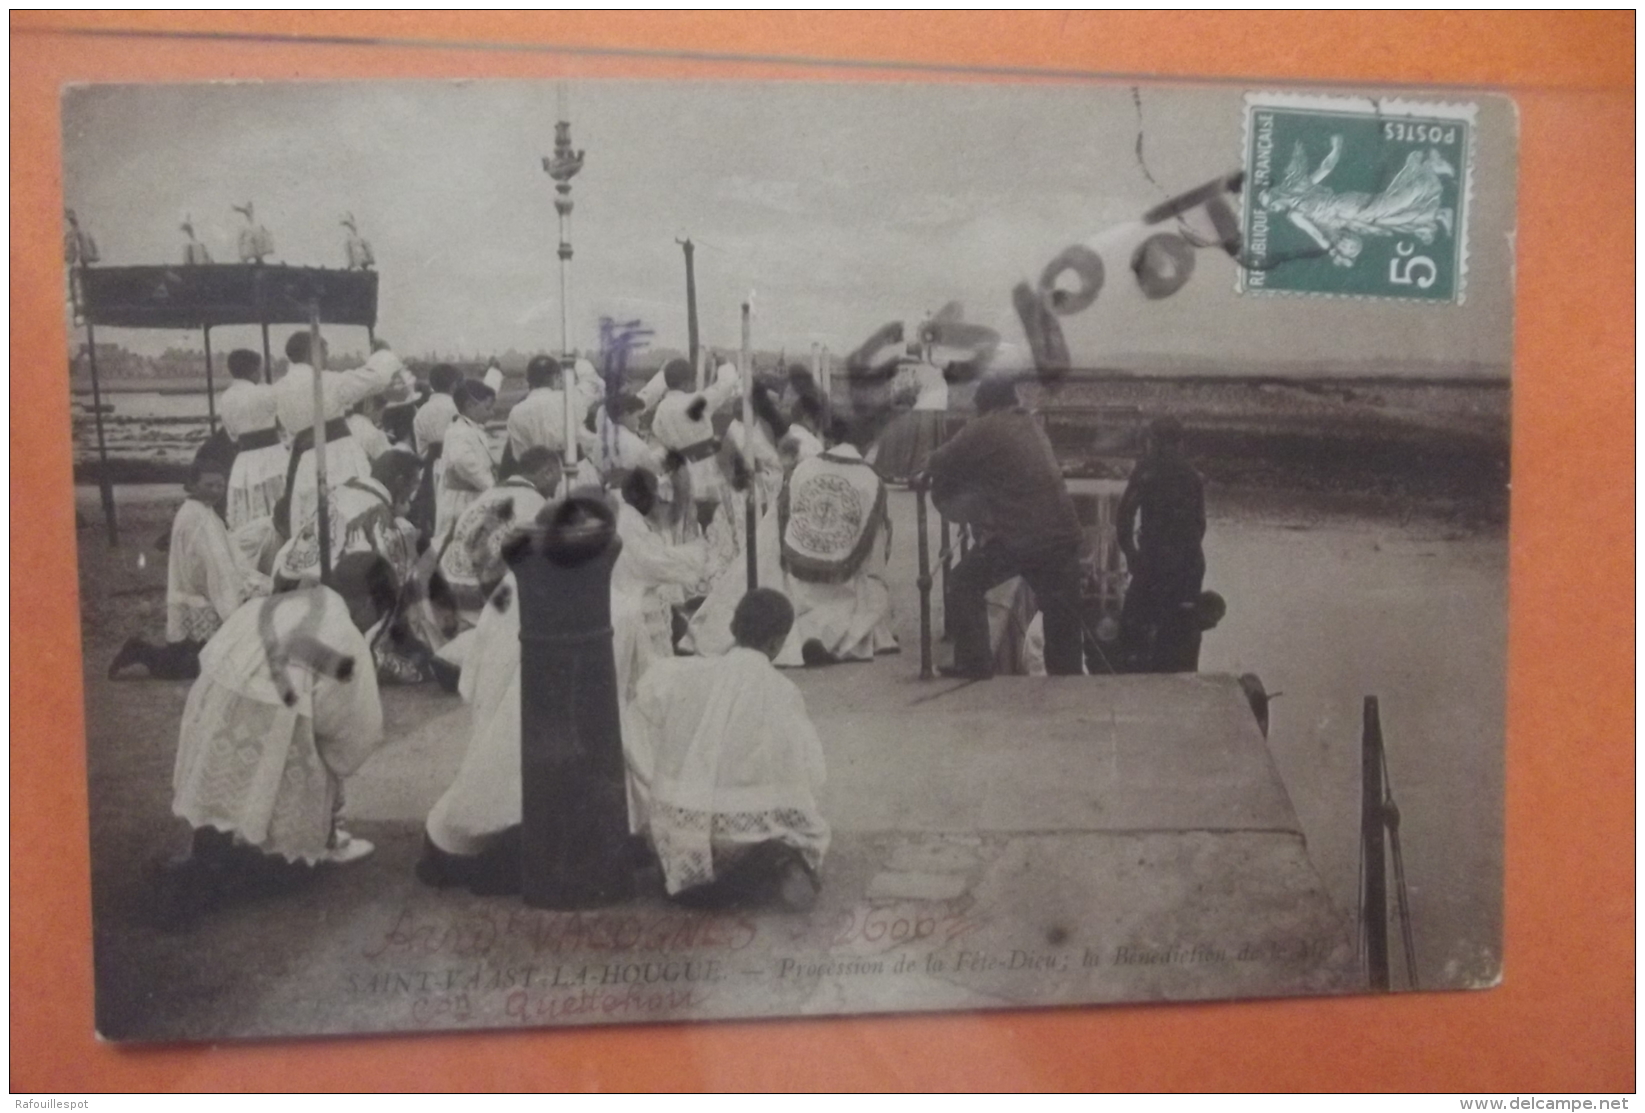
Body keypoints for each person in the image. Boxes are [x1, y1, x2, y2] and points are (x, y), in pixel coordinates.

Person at [418, 503, 656, 894]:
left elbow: (472, 680)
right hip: (586, 745)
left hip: (504, 745)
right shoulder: (624, 608)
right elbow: (641, 688)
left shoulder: (507, 595)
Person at [156, 552, 396, 927]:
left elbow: (218, 652)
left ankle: (209, 851)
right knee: (298, 860)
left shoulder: (279, 600)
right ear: (367, 602)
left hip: (216, 703)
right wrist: (331, 771)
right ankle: (221, 880)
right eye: (374, 617)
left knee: (225, 781)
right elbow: (352, 727)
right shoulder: (345, 634)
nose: (369, 626)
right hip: (271, 716)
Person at [626, 588, 827, 911]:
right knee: (800, 838)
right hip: (740, 837)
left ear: (733, 628)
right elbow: (812, 772)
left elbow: (640, 708)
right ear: (777, 643)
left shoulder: (684, 674)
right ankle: (765, 871)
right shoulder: (782, 691)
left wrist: (658, 780)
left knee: (684, 827)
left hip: (684, 829)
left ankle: (694, 874)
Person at [924, 376, 1083, 679]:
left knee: (963, 583)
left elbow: (938, 461)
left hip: (1021, 538)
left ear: (984, 405)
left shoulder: (986, 426)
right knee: (1062, 623)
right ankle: (1070, 687)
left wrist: (927, 467)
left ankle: (975, 665)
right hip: (1063, 535)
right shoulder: (1030, 424)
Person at [109, 455, 251, 680]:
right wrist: (231, 600)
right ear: (193, 485)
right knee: (191, 668)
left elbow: (222, 557)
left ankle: (146, 651)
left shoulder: (203, 510)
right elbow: (209, 566)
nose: (216, 491)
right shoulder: (196, 517)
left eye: (220, 485)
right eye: (209, 485)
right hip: (198, 597)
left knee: (194, 661)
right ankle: (139, 650)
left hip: (195, 596)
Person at [276, 332, 405, 534]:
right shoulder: (325, 381)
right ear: (313, 353)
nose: (327, 360)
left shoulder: (279, 387)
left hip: (304, 462)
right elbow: (376, 378)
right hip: (337, 456)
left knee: (313, 518)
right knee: (352, 512)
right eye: (324, 353)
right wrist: (384, 354)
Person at [1115, 416, 1208, 673]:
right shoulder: (1193, 476)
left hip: (1153, 562)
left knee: (1131, 631)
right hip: (1188, 564)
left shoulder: (1147, 470)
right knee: (1181, 634)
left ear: (1152, 441)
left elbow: (1123, 518)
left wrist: (1132, 555)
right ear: (1180, 443)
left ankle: (1134, 683)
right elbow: (1200, 525)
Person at [438, 446, 561, 628]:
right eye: (556, 483)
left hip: (446, 592)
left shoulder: (485, 496)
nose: (553, 493)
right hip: (483, 609)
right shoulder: (537, 505)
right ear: (548, 472)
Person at [611, 467, 709, 657]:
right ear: (644, 496)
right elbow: (653, 562)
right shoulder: (630, 522)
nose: (656, 500)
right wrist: (696, 555)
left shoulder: (630, 516)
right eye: (654, 495)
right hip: (636, 605)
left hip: (633, 598)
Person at [643, 356, 742, 529]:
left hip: (678, 470)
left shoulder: (662, 407)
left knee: (685, 520)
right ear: (687, 383)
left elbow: (657, 431)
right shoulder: (696, 402)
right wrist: (724, 364)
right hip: (705, 468)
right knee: (713, 520)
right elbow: (726, 385)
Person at [217, 348, 287, 530]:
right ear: (255, 370)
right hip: (273, 456)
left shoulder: (225, 398)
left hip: (245, 461)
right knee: (279, 504)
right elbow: (283, 419)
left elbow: (232, 434)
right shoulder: (266, 392)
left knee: (248, 511)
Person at [434, 379, 498, 545]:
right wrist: (491, 487)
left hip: (473, 496)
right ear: (470, 405)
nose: (492, 413)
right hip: (461, 501)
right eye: (487, 407)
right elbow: (464, 463)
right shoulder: (458, 432)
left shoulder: (471, 429)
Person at [872, 357, 949, 484]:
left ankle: (916, 471)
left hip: (926, 402)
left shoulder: (924, 370)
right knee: (918, 439)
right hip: (925, 402)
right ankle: (914, 471)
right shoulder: (921, 369)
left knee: (919, 439)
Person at [408, 362, 461, 535]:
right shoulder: (458, 409)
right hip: (454, 474)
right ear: (454, 385)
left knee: (432, 527)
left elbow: (420, 448)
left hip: (427, 474)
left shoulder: (421, 412)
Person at [505, 355, 569, 465]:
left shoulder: (516, 411)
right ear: (556, 377)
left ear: (528, 379)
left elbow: (519, 455)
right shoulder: (566, 401)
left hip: (535, 475)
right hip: (570, 470)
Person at [346, 393, 392, 464]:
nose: (381, 416)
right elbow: (390, 462)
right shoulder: (373, 432)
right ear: (371, 407)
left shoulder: (347, 422)